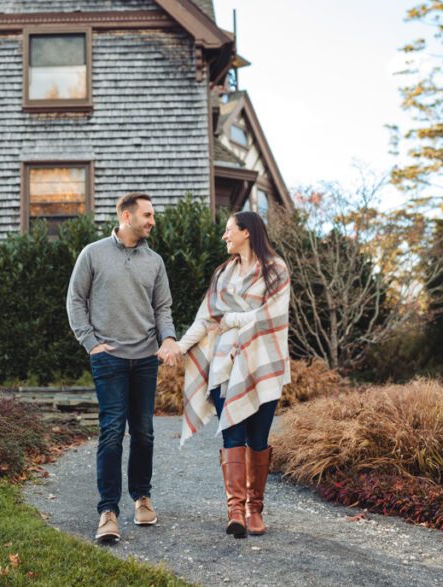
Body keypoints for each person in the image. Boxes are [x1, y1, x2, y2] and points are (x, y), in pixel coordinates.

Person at [66, 192, 182, 543]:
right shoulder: (93, 253)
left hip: (146, 358)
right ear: (126, 216)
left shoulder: (155, 262)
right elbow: (75, 300)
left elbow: (163, 308)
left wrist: (168, 339)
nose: (152, 221)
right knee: (113, 431)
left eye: (152, 214)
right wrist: (91, 343)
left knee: (144, 431)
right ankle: (108, 511)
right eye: (147, 214)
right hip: (109, 359)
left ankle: (142, 497)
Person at [176, 211, 291, 538]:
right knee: (232, 436)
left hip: (263, 364)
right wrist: (179, 347)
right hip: (224, 366)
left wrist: (231, 320)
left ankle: (256, 508)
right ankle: (236, 511)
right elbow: (206, 318)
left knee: (258, 439)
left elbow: (272, 315)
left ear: (247, 232)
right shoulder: (223, 274)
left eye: (229, 230)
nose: (224, 236)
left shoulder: (276, 270)